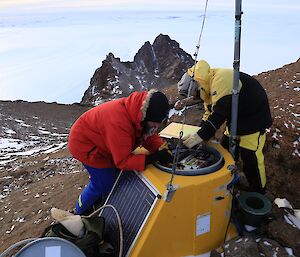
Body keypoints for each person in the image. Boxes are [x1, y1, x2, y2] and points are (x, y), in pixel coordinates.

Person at [68, 90, 172, 215]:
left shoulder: (139, 113)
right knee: (104, 183)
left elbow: (147, 135)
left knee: (118, 175)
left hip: (102, 139)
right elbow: (123, 161)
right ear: (148, 116)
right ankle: (80, 211)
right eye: (155, 123)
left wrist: (160, 148)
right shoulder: (119, 123)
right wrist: (152, 158)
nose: (156, 127)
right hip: (85, 145)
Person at [179, 60, 272, 193]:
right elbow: (209, 113)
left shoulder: (222, 79)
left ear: (196, 84)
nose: (195, 98)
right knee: (226, 149)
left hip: (254, 118)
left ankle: (259, 191)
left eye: (194, 94)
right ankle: (228, 179)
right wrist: (199, 131)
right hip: (236, 119)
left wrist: (200, 136)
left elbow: (219, 114)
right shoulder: (208, 86)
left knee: (250, 158)